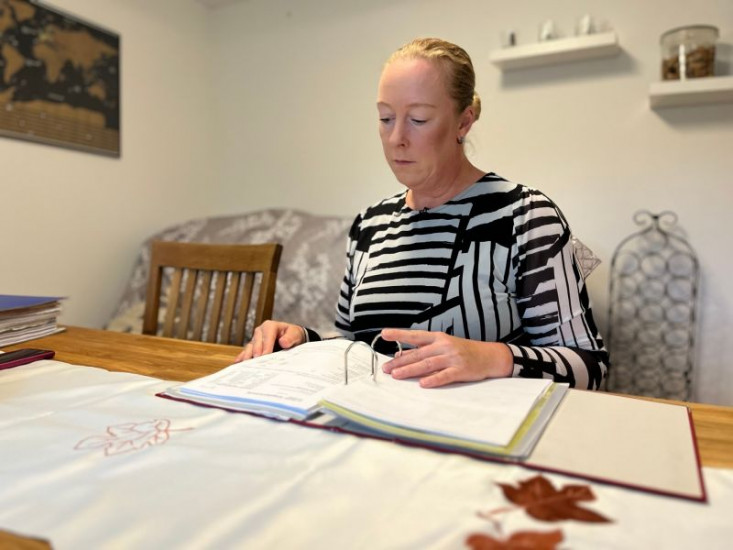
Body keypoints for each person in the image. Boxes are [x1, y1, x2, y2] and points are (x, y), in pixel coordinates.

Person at [237, 37, 608, 390]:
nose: (396, 138)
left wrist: (491, 357)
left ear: (463, 122)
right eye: (385, 118)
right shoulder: (370, 225)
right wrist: (302, 340)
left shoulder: (525, 216)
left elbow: (590, 366)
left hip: (475, 429)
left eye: (418, 119)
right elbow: (356, 349)